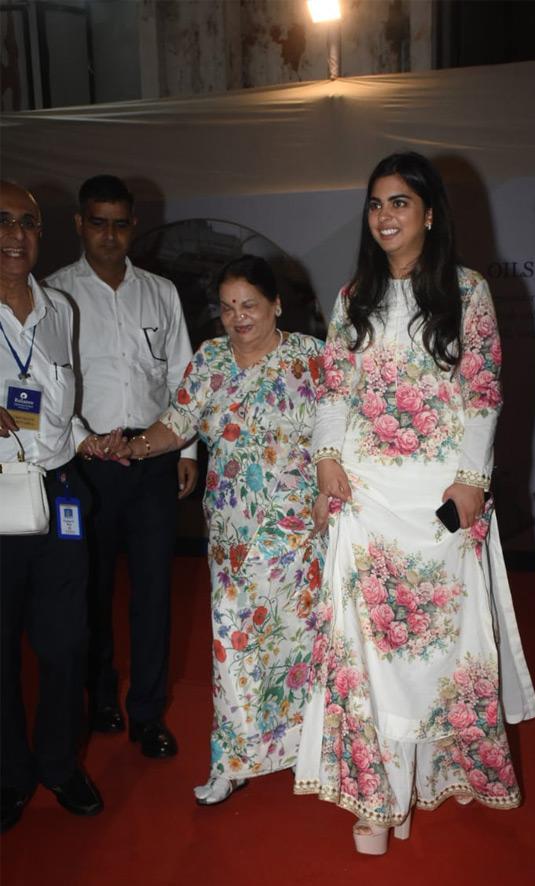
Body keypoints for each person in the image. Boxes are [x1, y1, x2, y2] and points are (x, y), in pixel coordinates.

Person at [294, 151, 535, 855]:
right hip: (368, 498)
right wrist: (327, 461)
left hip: (437, 503)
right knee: (367, 653)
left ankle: (414, 776)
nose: (385, 216)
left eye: (400, 202)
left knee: (432, 652)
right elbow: (334, 393)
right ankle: (378, 798)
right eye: (375, 204)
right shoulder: (352, 298)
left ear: (430, 213)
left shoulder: (468, 292)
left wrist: (470, 481)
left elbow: (483, 394)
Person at [109, 255, 324, 804]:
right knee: (232, 647)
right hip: (231, 536)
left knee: (300, 650)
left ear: (277, 305)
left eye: (249, 305)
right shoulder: (208, 361)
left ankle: (308, 750)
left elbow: (340, 437)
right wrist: (133, 447)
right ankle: (232, 760)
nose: (238, 317)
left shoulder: (310, 359)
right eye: (228, 307)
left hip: (297, 536)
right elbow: (176, 423)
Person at [45, 175, 198, 758]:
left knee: (155, 591)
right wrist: (83, 442)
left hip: (154, 459)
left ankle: (148, 714)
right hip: (88, 466)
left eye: (120, 222)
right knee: (93, 589)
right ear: (80, 224)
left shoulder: (160, 292)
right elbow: (53, 383)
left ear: (133, 226)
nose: (110, 234)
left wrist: (185, 451)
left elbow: (185, 376)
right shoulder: (56, 294)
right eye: (98, 221)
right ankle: (102, 695)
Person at [0, 181, 104, 831]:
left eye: (28, 223)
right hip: (0, 498)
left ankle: (59, 763)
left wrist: (93, 439)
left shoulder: (59, 307)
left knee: (67, 642)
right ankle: (10, 774)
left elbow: (59, 402)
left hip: (61, 490)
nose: (16, 234)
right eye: (2, 220)